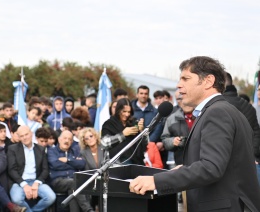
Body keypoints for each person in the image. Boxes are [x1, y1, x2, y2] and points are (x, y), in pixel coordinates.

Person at [129, 56, 260, 211]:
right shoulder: (218, 110)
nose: (178, 85)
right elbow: (222, 162)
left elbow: (211, 167)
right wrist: (186, 167)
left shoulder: (217, 112)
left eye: (186, 78)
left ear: (208, 81)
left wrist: (156, 181)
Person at [7, 126, 56, 212]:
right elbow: (12, 170)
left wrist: (37, 183)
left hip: (36, 181)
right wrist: (24, 184)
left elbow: (45, 170)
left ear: (31, 134)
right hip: (19, 182)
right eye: (21, 136)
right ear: (18, 137)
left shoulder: (40, 149)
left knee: (51, 197)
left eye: (26, 134)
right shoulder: (12, 149)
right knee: (17, 199)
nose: (25, 137)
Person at [224, 72, 260, 186]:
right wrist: (253, 154)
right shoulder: (249, 107)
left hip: (227, 166)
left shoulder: (217, 107)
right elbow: (256, 132)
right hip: (249, 161)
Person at [47, 130, 94, 212]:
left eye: (69, 139)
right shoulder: (52, 151)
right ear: (59, 139)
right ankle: (88, 209)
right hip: (57, 181)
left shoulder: (75, 151)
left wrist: (67, 160)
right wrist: (73, 162)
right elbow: (55, 164)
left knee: (73, 189)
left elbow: (81, 164)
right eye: (65, 138)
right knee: (73, 183)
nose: (67, 141)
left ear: (72, 141)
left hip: (72, 182)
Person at [101, 98, 145, 165]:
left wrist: (142, 131)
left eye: (129, 112)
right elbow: (104, 143)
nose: (127, 114)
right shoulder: (109, 124)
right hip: (116, 163)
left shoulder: (133, 122)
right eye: (124, 111)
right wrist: (123, 134)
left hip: (135, 162)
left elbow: (145, 144)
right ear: (118, 110)